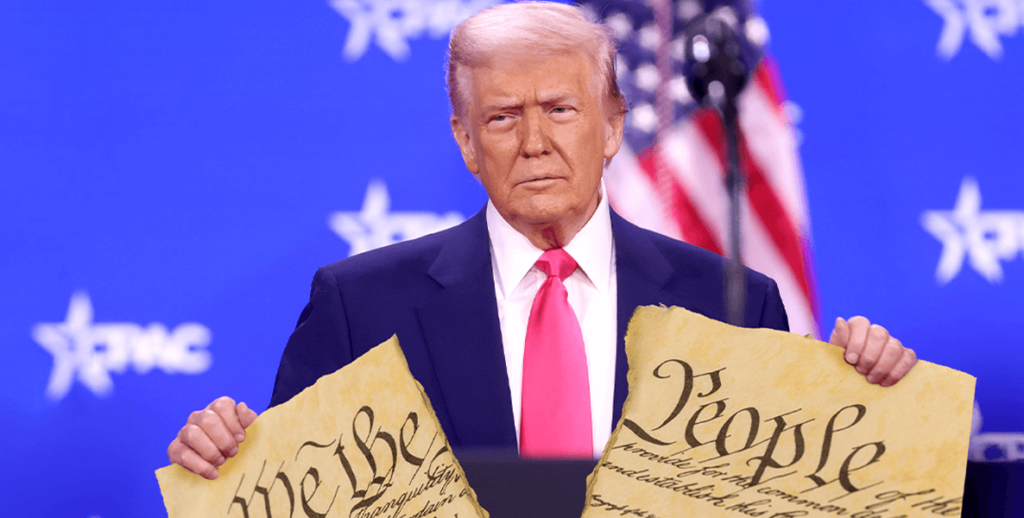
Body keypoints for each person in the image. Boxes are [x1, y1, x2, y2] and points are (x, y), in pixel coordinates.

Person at [167, 2, 917, 480]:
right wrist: (228, 463)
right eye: (500, 118)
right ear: (464, 140)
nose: (534, 143)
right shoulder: (360, 306)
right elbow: (295, 496)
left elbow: (787, 493)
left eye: (561, 109)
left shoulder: (732, 302)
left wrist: (866, 408)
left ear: (615, 124)